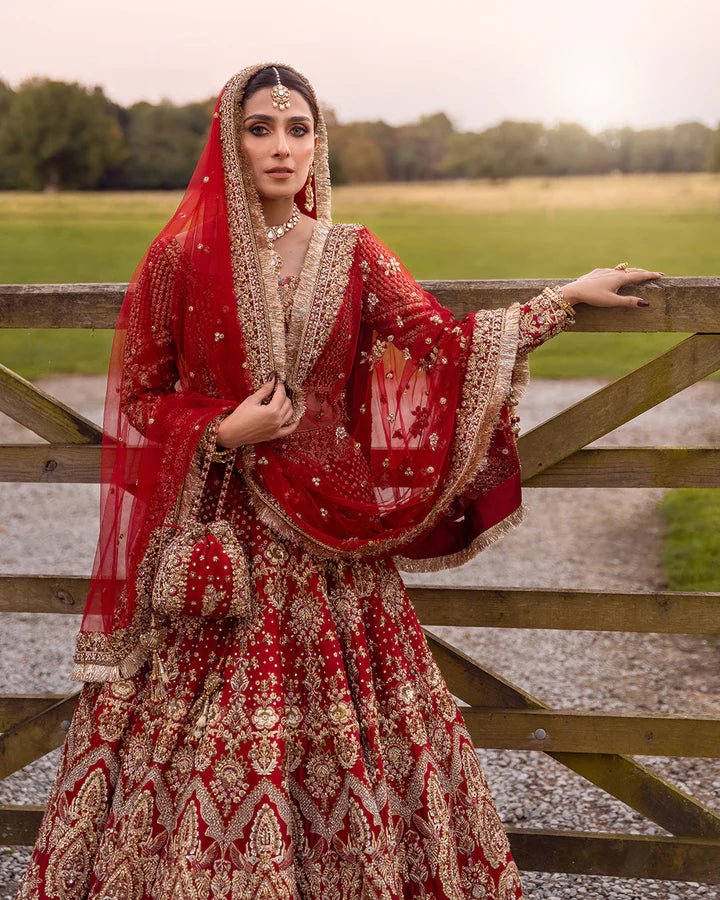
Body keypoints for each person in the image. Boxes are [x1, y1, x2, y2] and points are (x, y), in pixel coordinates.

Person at [16, 62, 662, 899]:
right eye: (259, 128)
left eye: (297, 129)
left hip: (335, 548)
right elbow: (142, 393)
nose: (280, 146)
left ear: (317, 144)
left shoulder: (353, 252)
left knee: (347, 741)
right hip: (221, 548)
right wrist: (221, 429)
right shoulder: (179, 258)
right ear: (229, 141)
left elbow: (443, 345)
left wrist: (561, 300)